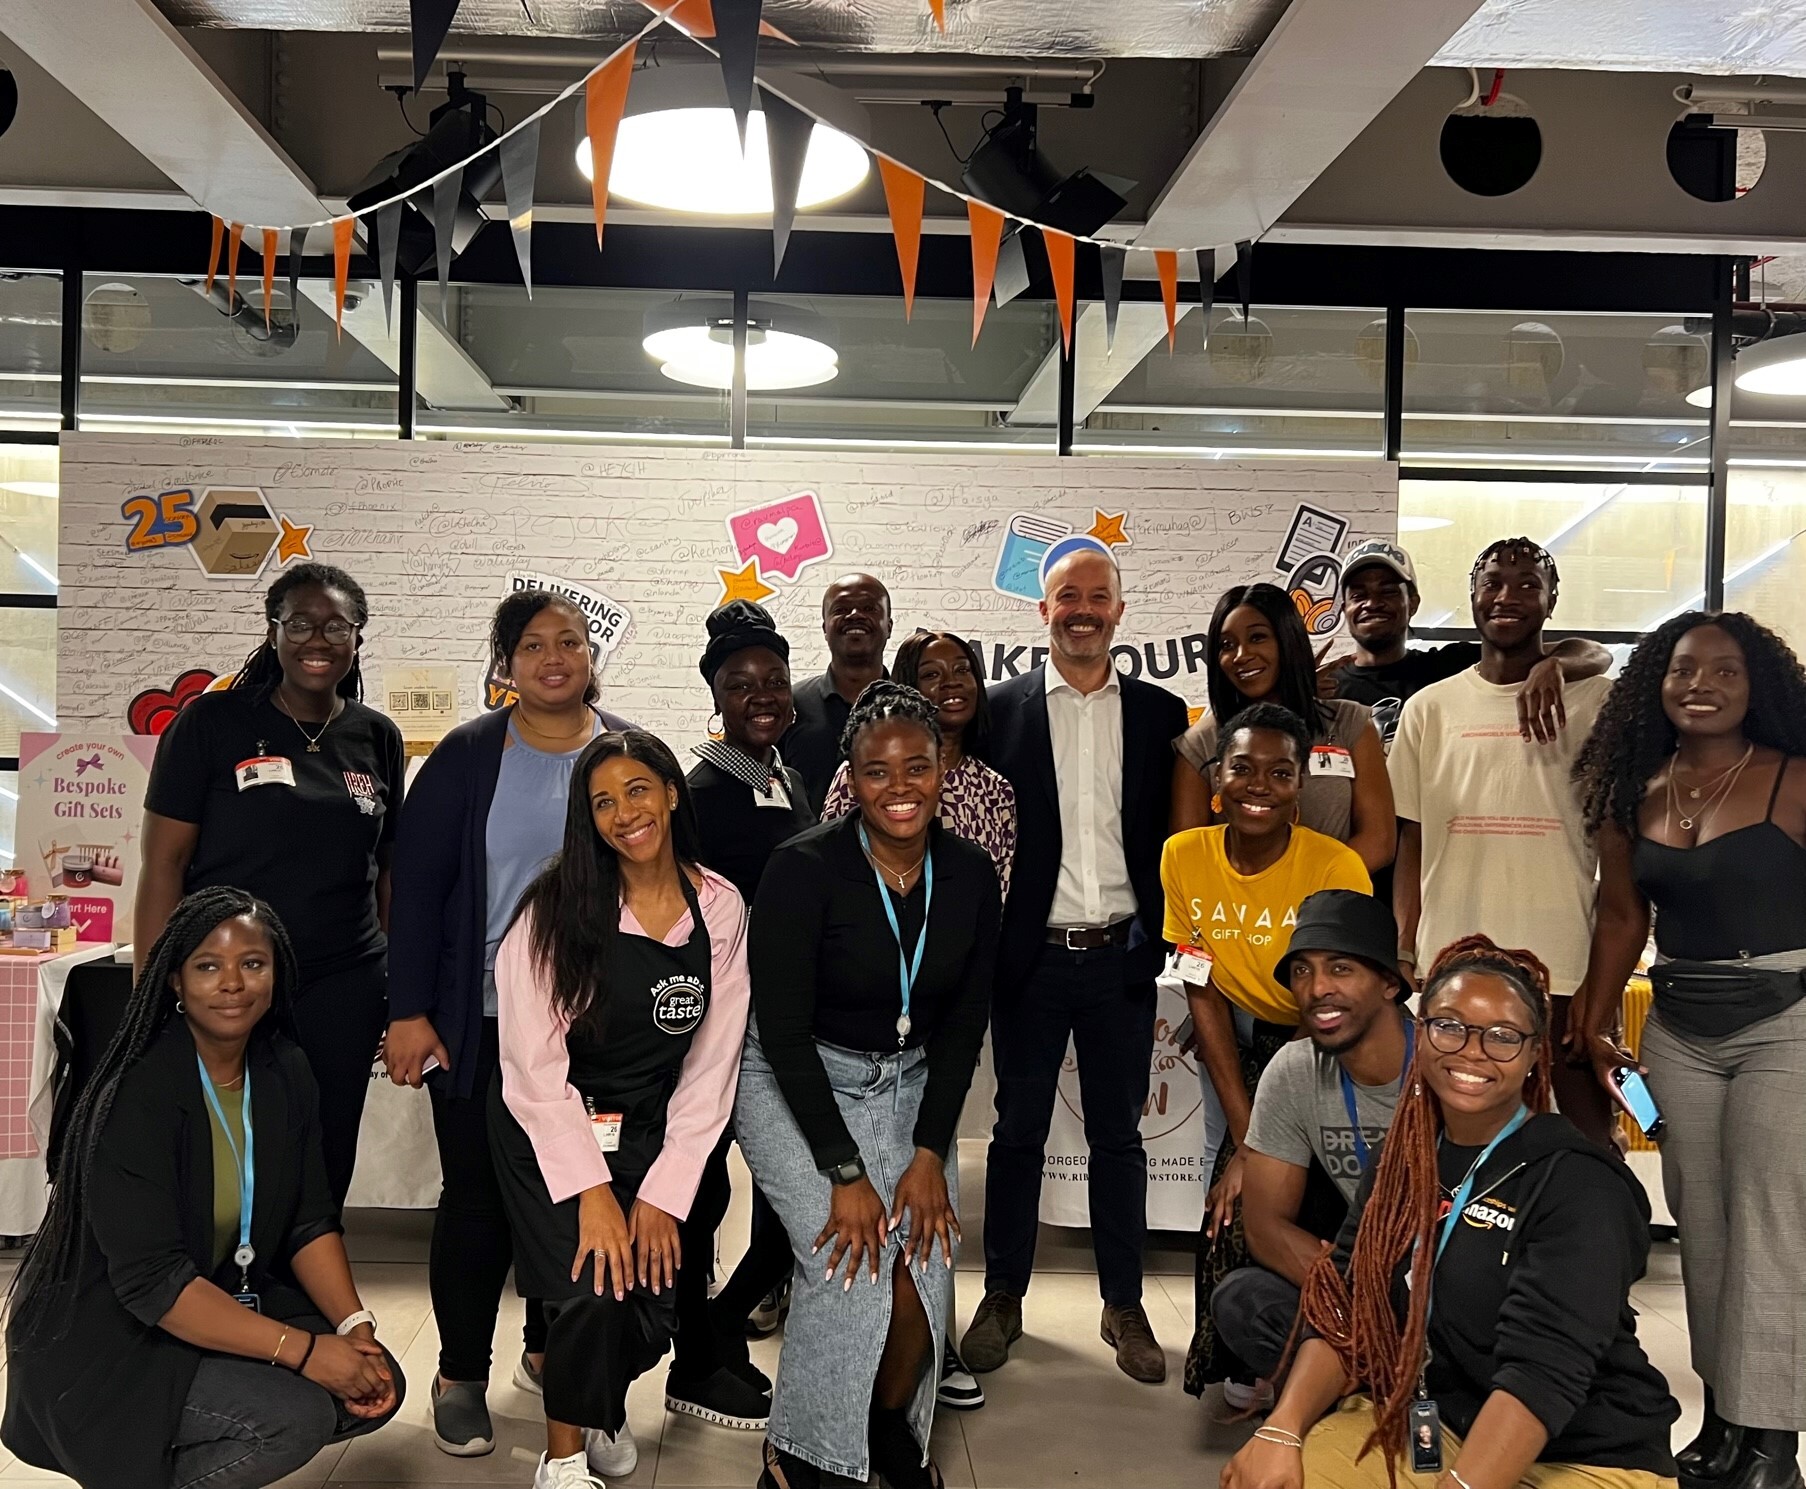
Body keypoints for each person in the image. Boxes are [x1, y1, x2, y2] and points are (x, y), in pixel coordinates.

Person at [1220, 934, 1680, 1489]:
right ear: (1422, 1034)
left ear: (1536, 1056)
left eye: (1503, 1036)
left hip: (1584, 1450)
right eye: (1450, 1026)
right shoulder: (1404, 1159)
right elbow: (1346, 1308)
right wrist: (1281, 1429)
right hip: (1446, 1420)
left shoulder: (1579, 1183)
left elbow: (1542, 1375)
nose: (1472, 1050)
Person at [3, 887, 405, 1489]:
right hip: (109, 1331)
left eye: (253, 963)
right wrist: (305, 1352)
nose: (232, 983)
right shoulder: (139, 1092)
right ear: (175, 982)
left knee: (376, 1381)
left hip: (218, 1291)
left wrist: (355, 1330)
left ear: (277, 973)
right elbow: (152, 1283)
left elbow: (308, 1221)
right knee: (291, 1418)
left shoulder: (285, 1069)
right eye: (208, 966)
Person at [384, 590, 633, 1457]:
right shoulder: (466, 756)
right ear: (506, 663)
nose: (554, 657)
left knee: (580, 1198)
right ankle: (459, 1372)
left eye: (570, 640)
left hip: (595, 1029)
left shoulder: (624, 752)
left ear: (591, 655)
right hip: (480, 1020)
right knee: (480, 1199)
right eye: (533, 645)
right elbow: (415, 892)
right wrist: (410, 1010)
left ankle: (554, 1356)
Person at [736, 682, 999, 1489]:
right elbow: (779, 1033)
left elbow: (961, 1027)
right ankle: (802, 1458)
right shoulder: (803, 867)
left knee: (923, 1281)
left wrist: (929, 1151)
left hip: (911, 1086)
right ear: (851, 775)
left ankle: (883, 1432)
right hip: (795, 1076)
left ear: (942, 767)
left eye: (917, 766)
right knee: (851, 1270)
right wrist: (845, 1171)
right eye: (878, 771)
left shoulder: (970, 873)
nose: (900, 787)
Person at [1574, 612, 1806, 1489]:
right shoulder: (1636, 789)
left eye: (1725, 671)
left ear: (1761, 687)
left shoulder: (1793, 779)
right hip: (1679, 1028)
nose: (1700, 683)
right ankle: (1724, 1422)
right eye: (1681, 669)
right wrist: (1596, 1023)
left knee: (1771, 1228)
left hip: (1787, 1020)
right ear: (1655, 685)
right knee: (1701, 1228)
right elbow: (1622, 917)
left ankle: (1773, 1445)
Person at [491, 729, 752, 1489]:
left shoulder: (721, 907)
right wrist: (593, 1191)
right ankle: (564, 1459)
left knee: (653, 1299)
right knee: (592, 1281)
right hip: (549, 1122)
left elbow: (711, 1066)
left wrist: (665, 1194)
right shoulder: (555, 908)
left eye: (638, 789)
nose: (624, 813)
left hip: (649, 1124)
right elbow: (534, 1068)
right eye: (602, 801)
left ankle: (599, 1402)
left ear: (672, 792)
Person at [966, 546, 1190, 1385]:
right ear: (1042, 610)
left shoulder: (1164, 715)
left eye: (1099, 596)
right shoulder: (997, 712)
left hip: (1120, 959)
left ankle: (1124, 1303)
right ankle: (1003, 1294)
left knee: (1118, 1137)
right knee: (1017, 1133)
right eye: (1068, 596)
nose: (1083, 609)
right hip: (1029, 960)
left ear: (1120, 611)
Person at [137, 562, 406, 1207]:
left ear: (358, 639)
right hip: (235, 975)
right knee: (231, 1137)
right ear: (274, 631)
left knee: (327, 1138)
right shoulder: (211, 724)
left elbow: (389, 872)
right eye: (301, 623)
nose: (318, 639)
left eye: (336, 626)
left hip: (345, 978)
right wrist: (153, 992)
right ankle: (228, 1291)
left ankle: (308, 1290)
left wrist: (395, 983)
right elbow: (163, 865)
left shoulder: (376, 736)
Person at [821, 627, 1016, 1412]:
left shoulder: (994, 795)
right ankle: (848, 1352)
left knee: (932, 1207)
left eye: (959, 668)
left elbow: (980, 920)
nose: (898, 784)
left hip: (934, 1029)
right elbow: (844, 874)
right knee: (857, 1214)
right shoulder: (844, 794)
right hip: (855, 1027)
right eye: (925, 672)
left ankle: (930, 1348)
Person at [1158, 703, 1372, 1399]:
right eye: (1242, 768)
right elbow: (1203, 988)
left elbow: (1339, 994)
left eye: (1280, 772)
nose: (1259, 785)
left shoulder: (1335, 863)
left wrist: (1269, 1137)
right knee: (1232, 1200)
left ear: (1299, 785)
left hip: (1325, 1043)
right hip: (1242, 1039)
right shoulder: (1183, 855)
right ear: (1216, 776)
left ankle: (1340, 1358)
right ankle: (1248, 1364)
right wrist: (1250, 1136)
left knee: (1313, 1199)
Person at [1389, 538, 1617, 1146]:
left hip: (1564, 968)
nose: (1507, 597)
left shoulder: (1594, 702)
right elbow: (1411, 839)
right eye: (1493, 583)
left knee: (1582, 1141)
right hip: (1453, 966)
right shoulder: (1428, 709)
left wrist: (1561, 666)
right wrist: (1406, 943)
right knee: (1449, 1141)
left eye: (1526, 584)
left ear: (1551, 599)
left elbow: (1602, 656)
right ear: (1472, 595)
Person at [677, 599, 818, 1431]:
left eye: (773, 680)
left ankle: (720, 1326)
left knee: (782, 1207)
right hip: (721, 1027)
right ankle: (698, 1354)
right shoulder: (701, 790)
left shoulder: (786, 776)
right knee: (700, 1201)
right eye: (742, 684)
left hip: (784, 1024)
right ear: (718, 697)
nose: (762, 695)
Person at [1209, 889, 1414, 1389]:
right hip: (1364, 1277)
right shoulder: (1295, 1070)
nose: (1317, 987)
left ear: (1389, 983)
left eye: (1341, 968)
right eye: (1302, 970)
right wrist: (1366, 1297)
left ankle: (1381, 1380)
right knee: (1243, 1300)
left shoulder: (1450, 1062)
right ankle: (1373, 1374)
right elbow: (1265, 1229)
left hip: (1460, 1271)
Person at [1173, 582, 1394, 875]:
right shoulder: (1200, 743)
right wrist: (1262, 896)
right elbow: (1188, 855)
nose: (1241, 654)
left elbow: (1379, 840)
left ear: (1287, 641)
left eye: (1258, 637)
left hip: (1330, 908)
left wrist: (1302, 890)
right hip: (1236, 914)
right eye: (1226, 645)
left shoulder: (1348, 723)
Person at [1327, 538, 1611, 748]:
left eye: (1388, 592)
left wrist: (1555, 665)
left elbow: (1595, 653)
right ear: (1343, 608)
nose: (1372, 604)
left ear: (1412, 603)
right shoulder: (1324, 686)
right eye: (1358, 595)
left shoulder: (1449, 666)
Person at [823, 628, 1018, 899]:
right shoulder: (857, 776)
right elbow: (829, 864)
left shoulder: (995, 790)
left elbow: (999, 891)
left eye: (963, 670)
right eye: (931, 675)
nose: (952, 683)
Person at [781, 572, 894, 812]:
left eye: (869, 608)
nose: (855, 616)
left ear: (889, 626)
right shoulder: (789, 706)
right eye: (841, 609)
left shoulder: (917, 713)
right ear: (825, 627)